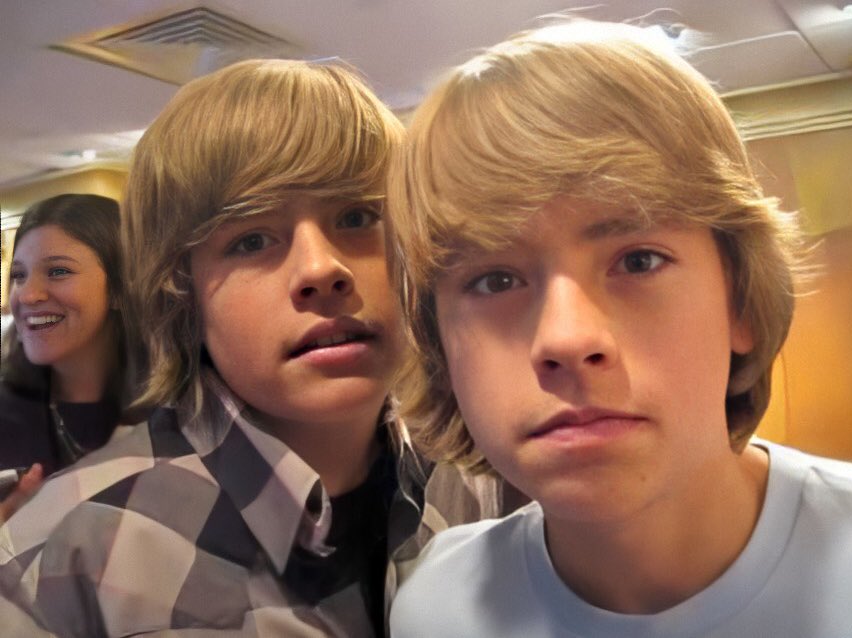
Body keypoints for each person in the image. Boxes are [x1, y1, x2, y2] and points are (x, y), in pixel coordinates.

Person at [386, 19, 852, 638]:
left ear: (739, 301)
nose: (567, 340)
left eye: (638, 261)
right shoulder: (435, 610)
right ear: (439, 346)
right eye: (495, 281)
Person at [0, 59, 501, 637]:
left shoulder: (477, 489)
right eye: (252, 239)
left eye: (358, 216)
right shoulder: (59, 554)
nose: (322, 269)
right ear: (181, 293)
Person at [0, 194, 131, 522]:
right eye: (19, 275)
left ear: (119, 288)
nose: (27, 295)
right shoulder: (7, 413)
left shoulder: (179, 412)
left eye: (57, 271)